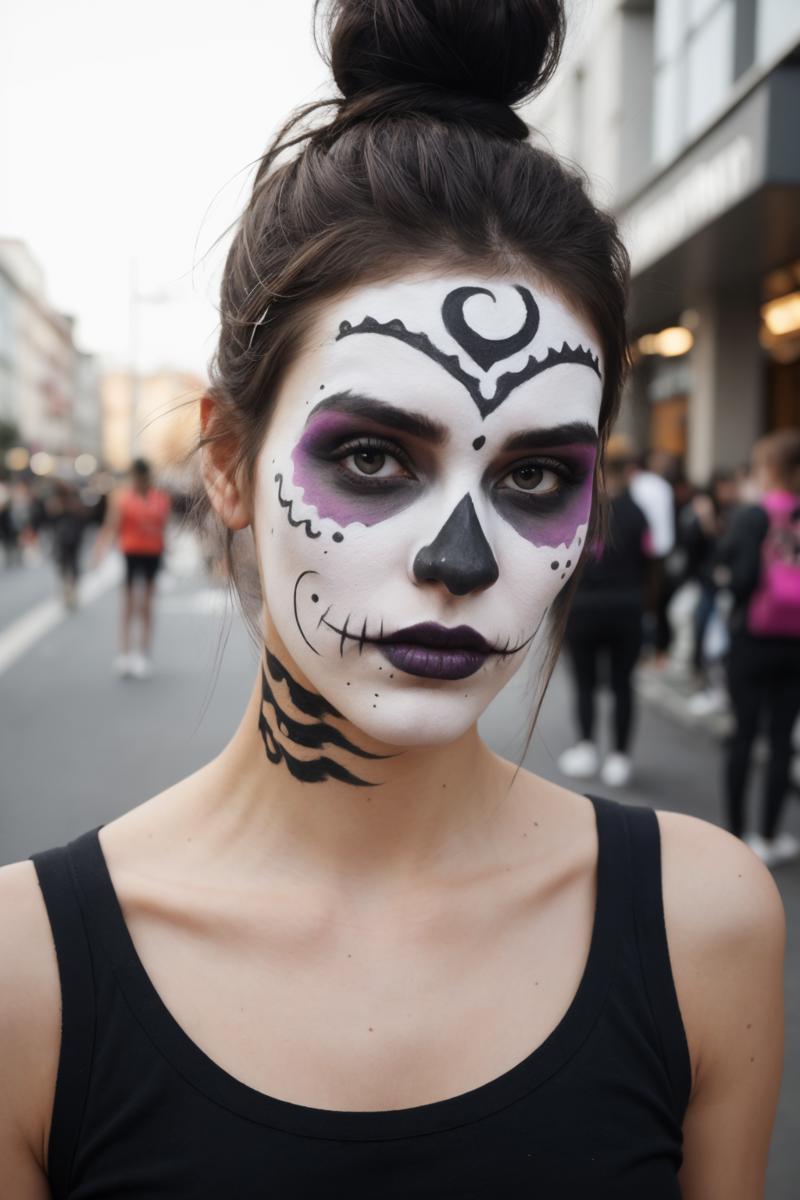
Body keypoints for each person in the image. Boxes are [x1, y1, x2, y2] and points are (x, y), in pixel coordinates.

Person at [0, 3, 784, 1196]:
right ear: (225, 461)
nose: (460, 561)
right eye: (372, 457)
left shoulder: (703, 926)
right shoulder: (26, 978)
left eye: (533, 476)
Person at [715, 430, 800, 867]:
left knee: (744, 735)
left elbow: (743, 577)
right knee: (783, 739)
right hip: (796, 642)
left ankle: (735, 833)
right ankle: (769, 833)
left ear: (770, 469)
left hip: (753, 638)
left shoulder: (754, 516)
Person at [557, 436, 652, 788]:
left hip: (581, 610)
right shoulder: (637, 512)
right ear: (630, 469)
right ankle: (620, 757)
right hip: (627, 608)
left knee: (583, 682)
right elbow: (650, 564)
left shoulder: (579, 509)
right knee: (623, 684)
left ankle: (586, 747)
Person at [92, 457, 171, 677]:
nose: (139, 481)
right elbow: (111, 525)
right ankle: (125, 653)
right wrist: (100, 550)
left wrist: (168, 555)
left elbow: (163, 528)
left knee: (146, 605)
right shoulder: (122, 499)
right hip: (130, 554)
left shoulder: (160, 499)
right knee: (128, 605)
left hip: (153, 554)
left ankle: (143, 654)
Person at [46, 480, 88, 610]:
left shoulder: (73, 503)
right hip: (64, 539)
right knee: (66, 564)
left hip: (72, 538)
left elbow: (84, 518)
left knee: (71, 564)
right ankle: (68, 590)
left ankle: (71, 590)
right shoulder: (57, 504)